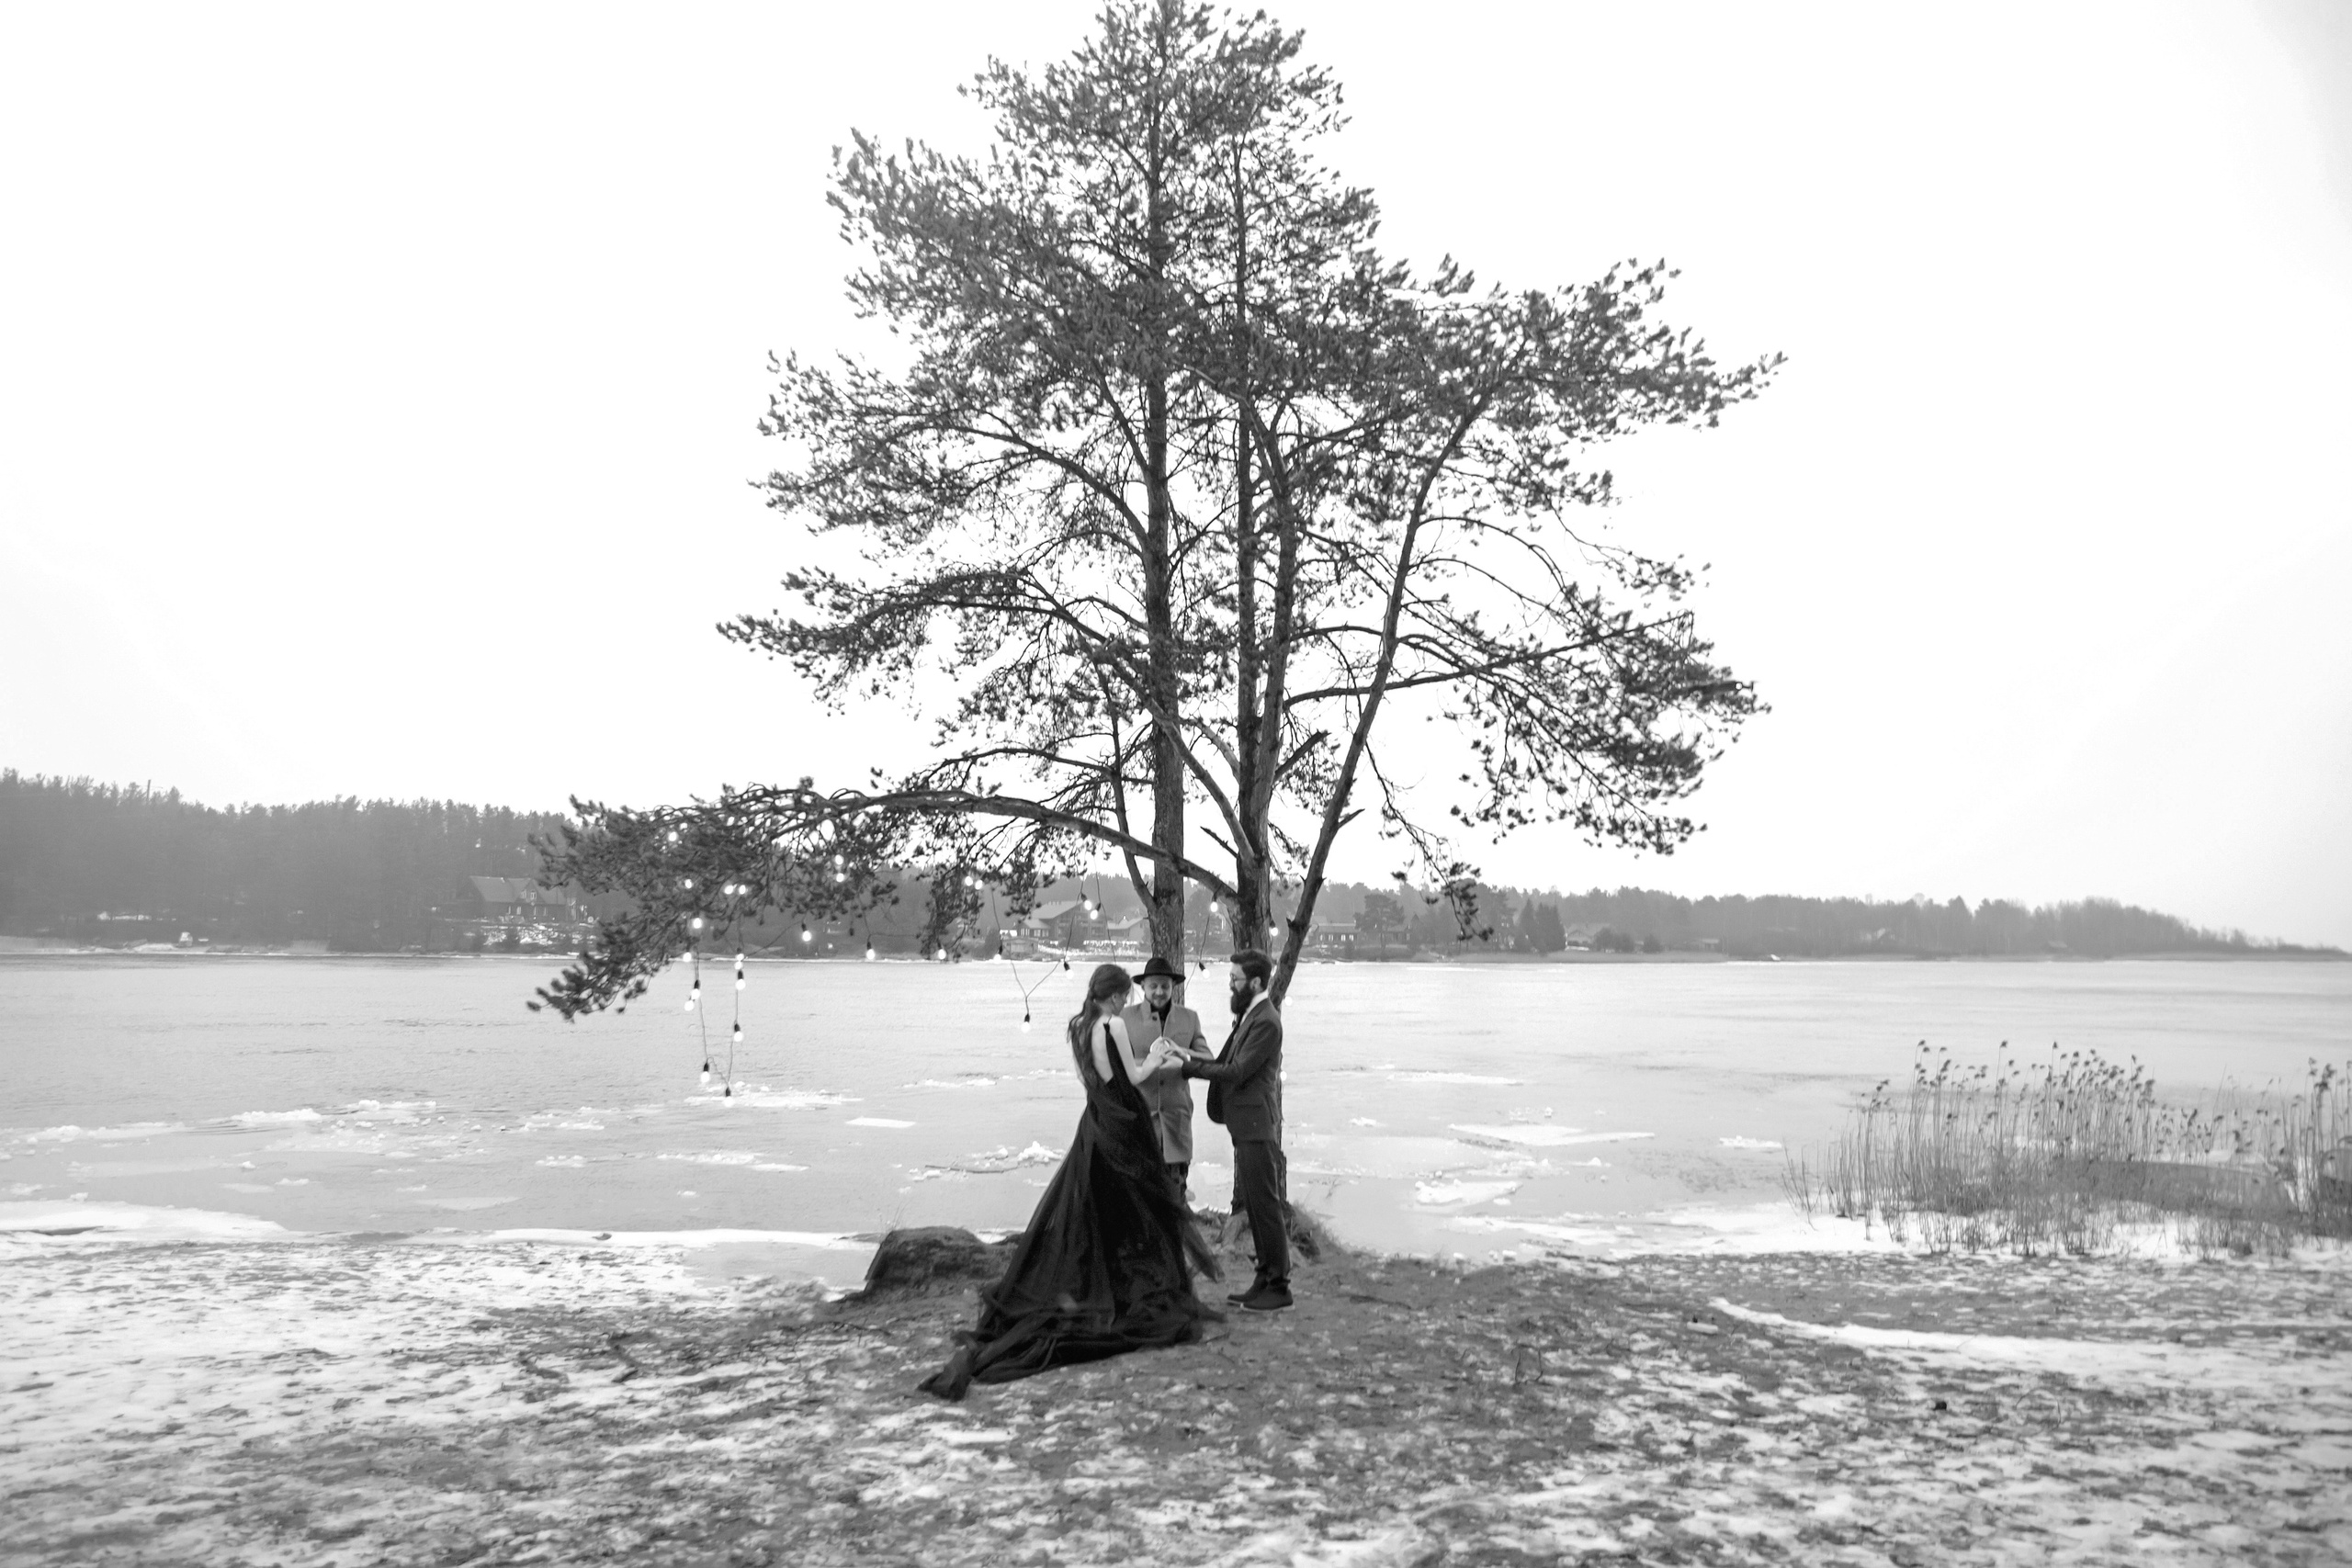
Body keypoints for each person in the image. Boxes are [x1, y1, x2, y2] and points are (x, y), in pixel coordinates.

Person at [919, 963, 1222, 1400]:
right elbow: (1134, 1078)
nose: (1124, 1002)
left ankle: (1107, 1282)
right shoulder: (1112, 1023)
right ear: (1114, 995)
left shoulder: (1079, 1026)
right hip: (1125, 1120)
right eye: (1121, 995)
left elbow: (1092, 1078)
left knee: (1100, 1205)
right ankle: (1130, 1287)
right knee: (1139, 1202)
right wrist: (1157, 1056)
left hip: (1096, 1120)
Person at [1181, 948, 1291, 1312]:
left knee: (1265, 1205)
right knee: (1255, 1207)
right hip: (1246, 1123)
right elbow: (1228, 1063)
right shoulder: (1252, 1015)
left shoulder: (1265, 1021)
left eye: (1235, 979)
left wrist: (1190, 1068)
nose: (1230, 984)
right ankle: (1264, 1277)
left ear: (1255, 981)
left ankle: (1279, 1286)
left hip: (1257, 1123)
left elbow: (1237, 1071)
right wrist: (1193, 1060)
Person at [1120, 953, 1208, 1194]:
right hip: (1139, 1120)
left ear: (1173, 987)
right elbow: (1116, 1064)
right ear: (1143, 987)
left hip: (1176, 1121)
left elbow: (1209, 1061)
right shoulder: (1125, 1018)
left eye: (1165, 986)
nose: (1159, 991)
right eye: (1153, 986)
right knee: (1140, 1197)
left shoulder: (1189, 1018)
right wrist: (1150, 1062)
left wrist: (1182, 1058)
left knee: (1175, 1197)